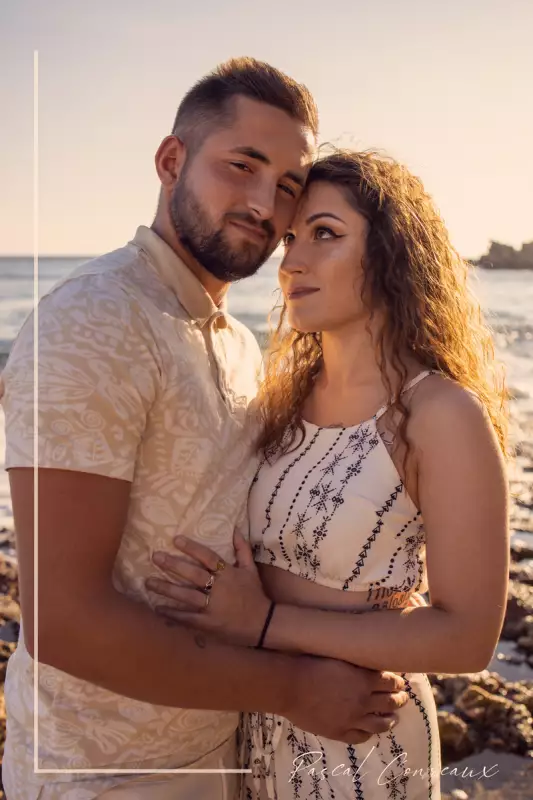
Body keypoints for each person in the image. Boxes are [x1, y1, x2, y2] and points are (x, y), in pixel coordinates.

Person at [0, 63, 409, 800]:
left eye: (287, 184)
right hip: (102, 774)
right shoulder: (95, 318)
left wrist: (356, 603)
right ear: (170, 162)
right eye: (240, 166)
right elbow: (61, 619)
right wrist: (292, 687)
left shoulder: (236, 343)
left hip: (221, 751)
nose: (263, 203)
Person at [148, 150, 510, 799]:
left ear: (393, 254)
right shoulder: (276, 401)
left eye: (324, 234)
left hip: (362, 740)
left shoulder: (437, 413)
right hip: (259, 725)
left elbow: (466, 637)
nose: (290, 262)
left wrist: (260, 624)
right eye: (288, 238)